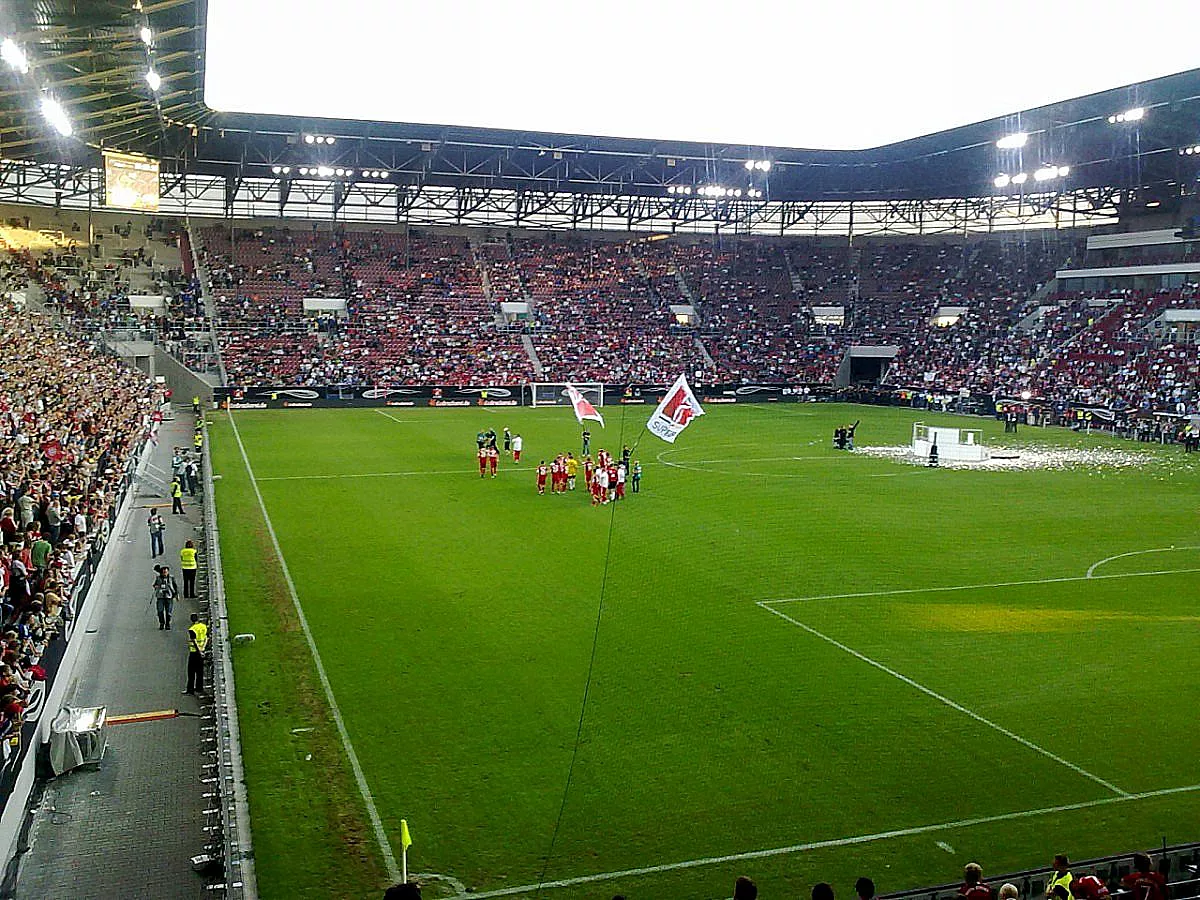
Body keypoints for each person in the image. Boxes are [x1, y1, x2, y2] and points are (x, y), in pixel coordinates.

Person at [184, 613, 207, 694]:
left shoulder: (192, 629)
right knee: (200, 671)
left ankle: (190, 689)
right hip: (202, 650)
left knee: (191, 672)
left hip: (194, 652)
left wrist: (199, 651)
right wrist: (203, 648)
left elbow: (194, 641)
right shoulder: (203, 627)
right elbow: (206, 638)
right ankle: (199, 688)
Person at [153, 564, 178, 630]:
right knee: (160, 611)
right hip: (160, 597)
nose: (165, 573)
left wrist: (176, 594)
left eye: (166, 572)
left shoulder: (171, 578)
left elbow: (175, 586)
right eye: (164, 572)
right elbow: (155, 585)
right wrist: (156, 586)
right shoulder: (158, 578)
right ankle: (162, 623)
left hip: (169, 597)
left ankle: (167, 623)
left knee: (168, 612)